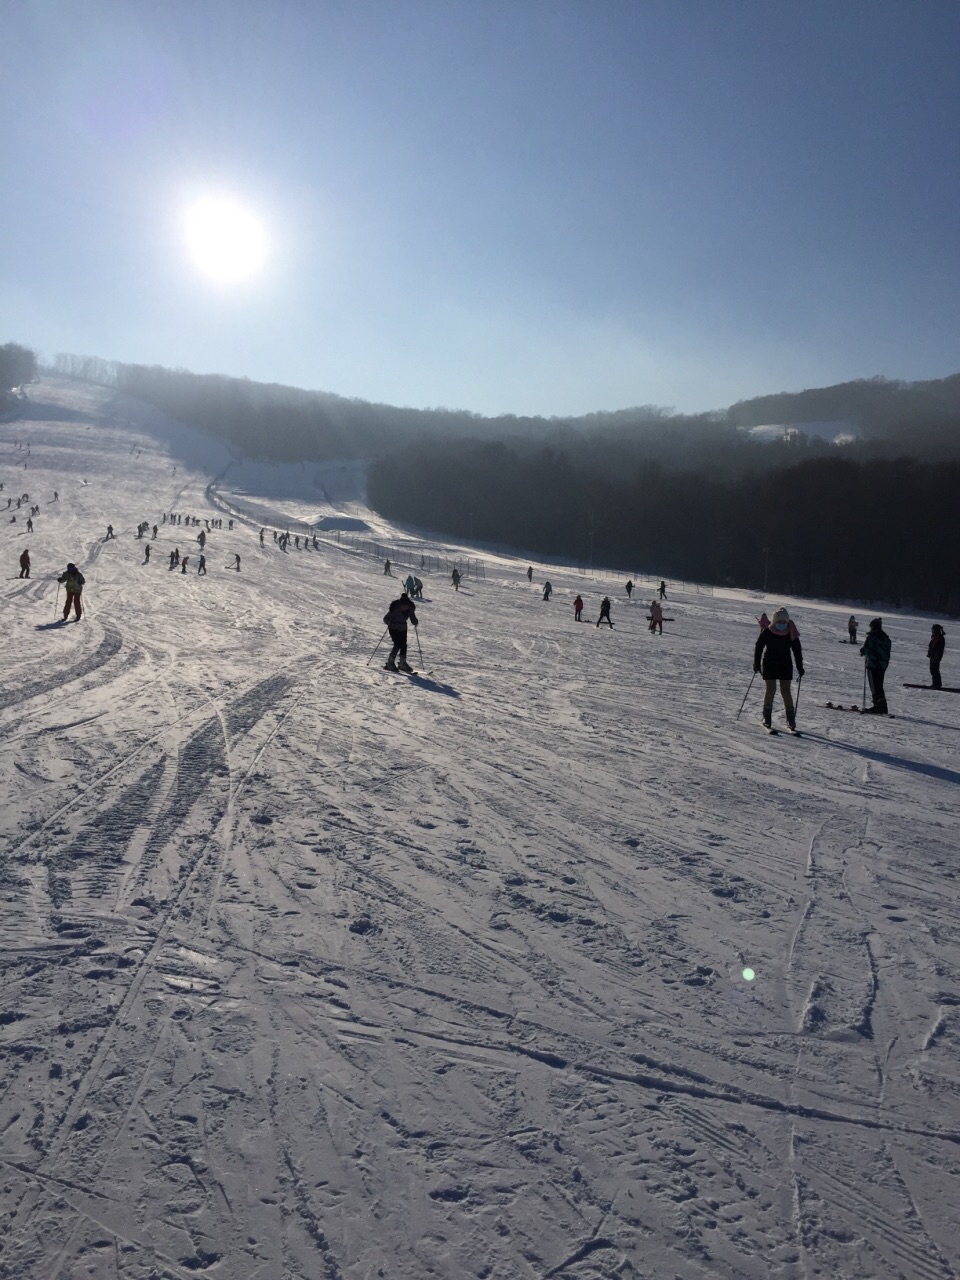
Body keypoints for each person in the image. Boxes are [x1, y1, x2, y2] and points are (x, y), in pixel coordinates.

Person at [754, 606, 804, 730]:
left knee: (786, 692)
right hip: (769, 664)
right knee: (770, 690)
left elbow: (797, 650)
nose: (782, 624)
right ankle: (767, 717)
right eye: (780, 622)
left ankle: (791, 720)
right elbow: (759, 646)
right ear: (775, 621)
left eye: (784, 622)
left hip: (785, 665)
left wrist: (800, 667)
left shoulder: (791, 632)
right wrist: (756, 663)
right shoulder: (768, 631)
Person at [860, 617, 891, 714]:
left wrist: (863, 651)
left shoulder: (872, 637)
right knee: (879, 685)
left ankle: (878, 706)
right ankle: (882, 706)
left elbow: (866, 648)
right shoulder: (885, 638)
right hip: (883, 664)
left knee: (874, 685)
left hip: (873, 664)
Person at [383, 592, 418, 672]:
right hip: (393, 628)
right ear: (400, 604)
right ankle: (390, 662)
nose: (404, 607)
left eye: (406, 606)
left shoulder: (410, 609)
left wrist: (415, 621)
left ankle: (402, 663)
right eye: (403, 606)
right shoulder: (394, 608)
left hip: (403, 628)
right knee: (397, 644)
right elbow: (385, 619)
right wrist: (389, 623)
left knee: (404, 645)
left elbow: (412, 617)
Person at [928, 624, 945, 689]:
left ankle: (937, 684)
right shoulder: (936, 637)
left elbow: (939, 648)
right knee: (933, 670)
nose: (932, 631)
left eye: (933, 629)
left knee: (935, 670)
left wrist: (936, 656)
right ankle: (936, 683)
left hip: (936, 657)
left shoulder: (939, 637)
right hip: (933, 656)